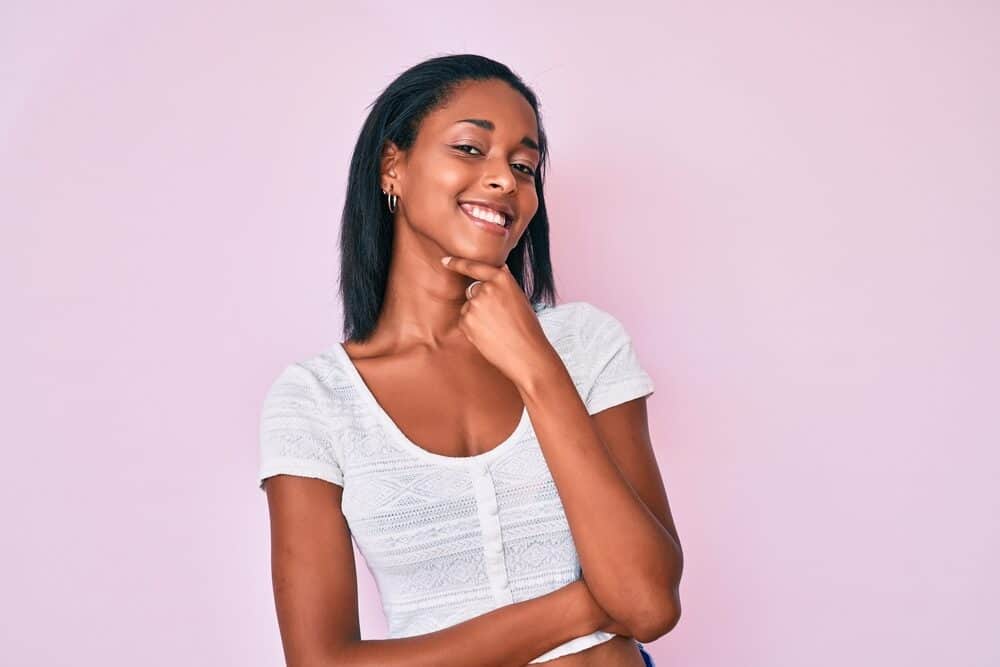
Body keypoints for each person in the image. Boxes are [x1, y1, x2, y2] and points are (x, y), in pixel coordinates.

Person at [258, 53, 682, 667]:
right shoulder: (316, 399)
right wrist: (589, 605)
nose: (505, 180)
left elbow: (648, 605)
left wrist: (536, 367)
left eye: (524, 165)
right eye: (469, 149)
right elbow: (321, 663)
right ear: (391, 166)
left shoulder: (585, 344)